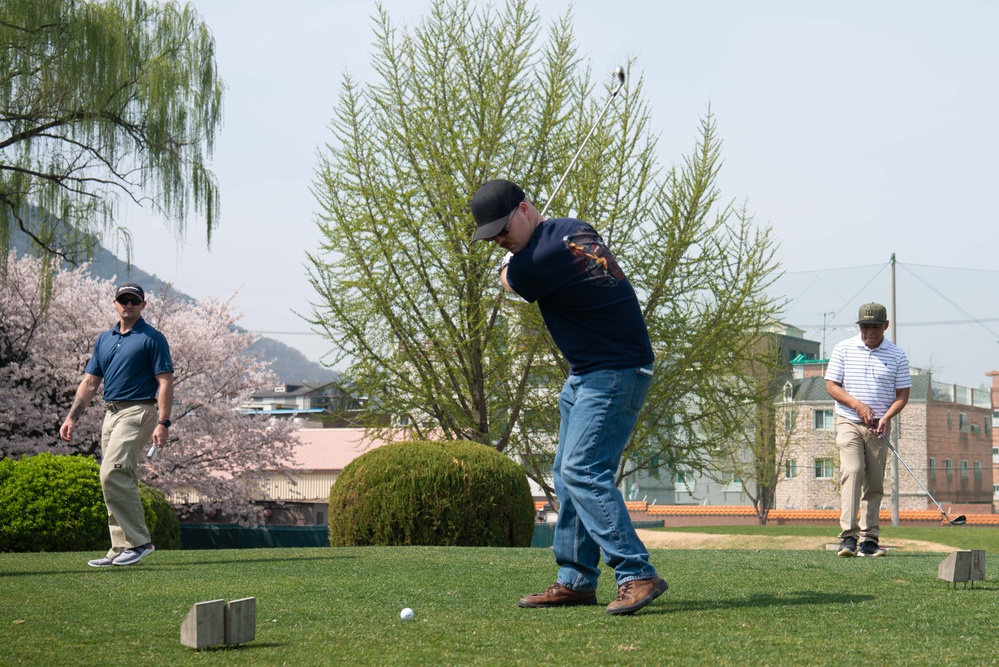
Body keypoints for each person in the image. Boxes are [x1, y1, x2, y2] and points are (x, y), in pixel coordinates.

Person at [470, 179, 667, 615]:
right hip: (589, 372)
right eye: (493, 235)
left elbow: (510, 281)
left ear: (525, 208)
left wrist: (508, 263)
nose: (501, 239)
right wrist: (518, 246)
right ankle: (576, 579)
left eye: (504, 229)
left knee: (583, 469)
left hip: (613, 372)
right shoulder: (573, 229)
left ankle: (636, 573)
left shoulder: (534, 260)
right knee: (565, 473)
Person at [59, 282, 174, 567]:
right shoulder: (104, 339)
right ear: (115, 303)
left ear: (143, 305)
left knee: (113, 472)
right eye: (123, 299)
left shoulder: (152, 338)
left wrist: (163, 422)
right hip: (111, 414)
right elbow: (90, 382)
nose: (128, 304)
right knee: (112, 477)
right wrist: (72, 416)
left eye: (134, 300)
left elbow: (165, 381)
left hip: (139, 411)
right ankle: (120, 547)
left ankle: (140, 543)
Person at [824, 302, 911, 558]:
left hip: (879, 427)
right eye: (864, 326)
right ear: (859, 326)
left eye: (874, 326)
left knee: (874, 481)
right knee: (853, 470)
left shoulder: (897, 355)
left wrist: (886, 417)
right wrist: (857, 404)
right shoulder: (844, 349)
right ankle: (848, 538)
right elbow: (831, 385)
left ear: (885, 326)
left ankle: (869, 540)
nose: (869, 331)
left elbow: (902, 395)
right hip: (848, 420)